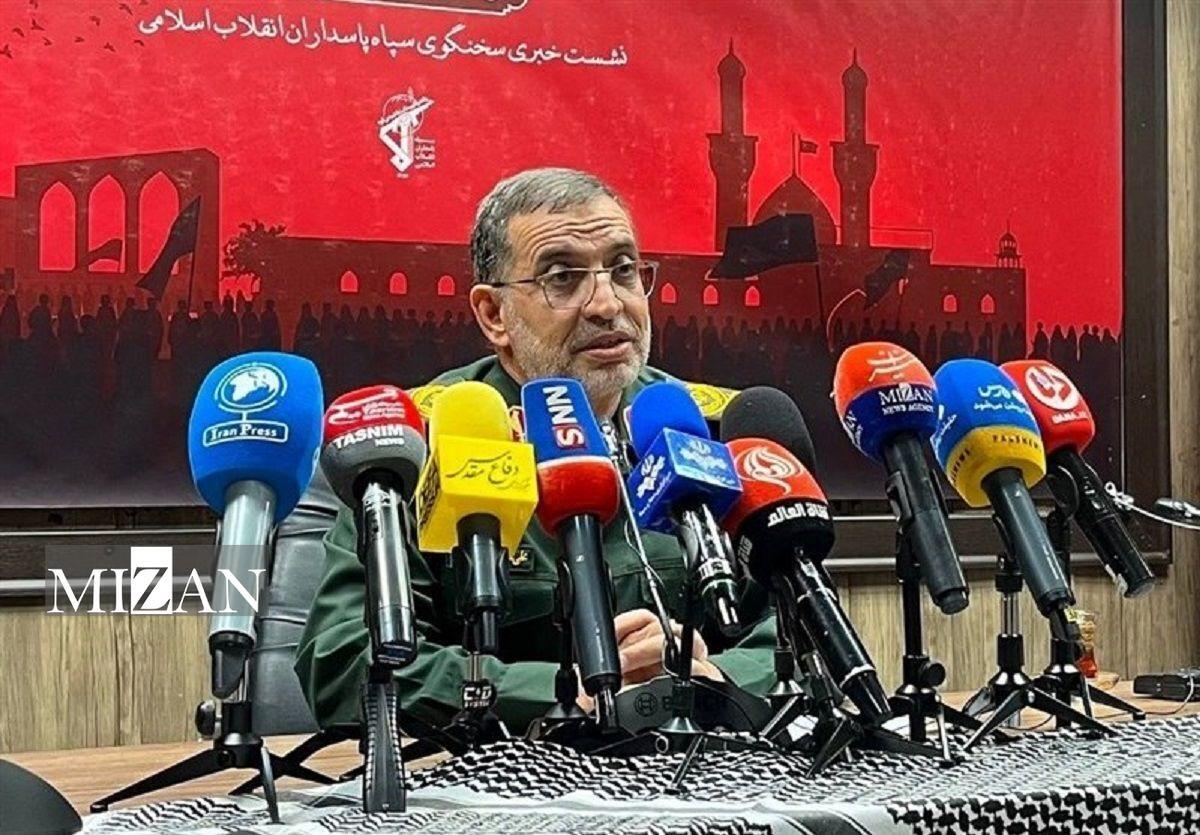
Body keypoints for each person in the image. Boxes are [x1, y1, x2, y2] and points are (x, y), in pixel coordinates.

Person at [295, 168, 776, 733]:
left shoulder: (709, 431)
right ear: (493, 314)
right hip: (494, 773)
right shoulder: (409, 447)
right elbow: (345, 663)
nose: (607, 304)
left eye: (624, 270)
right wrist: (566, 691)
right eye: (563, 278)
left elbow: (802, 630)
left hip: (700, 760)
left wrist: (713, 678)